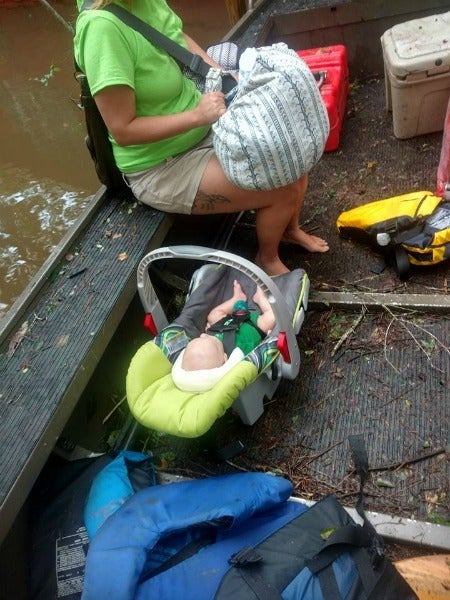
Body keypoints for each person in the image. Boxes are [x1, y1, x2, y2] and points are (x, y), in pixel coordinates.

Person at [74, 0, 329, 277]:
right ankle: (267, 259)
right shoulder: (101, 30)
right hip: (163, 163)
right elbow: (123, 130)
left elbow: (175, 37)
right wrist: (197, 116)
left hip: (204, 124)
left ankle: (289, 230)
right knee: (283, 187)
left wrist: (225, 77)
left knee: (291, 152)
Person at [181, 279, 275, 372]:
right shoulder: (240, 354)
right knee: (272, 318)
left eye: (201, 338)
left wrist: (212, 329)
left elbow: (210, 334)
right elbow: (258, 350)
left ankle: (237, 299)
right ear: (225, 358)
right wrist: (266, 341)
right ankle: (260, 298)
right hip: (252, 324)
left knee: (213, 315)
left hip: (226, 322)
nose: (203, 335)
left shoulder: (212, 346)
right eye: (208, 339)